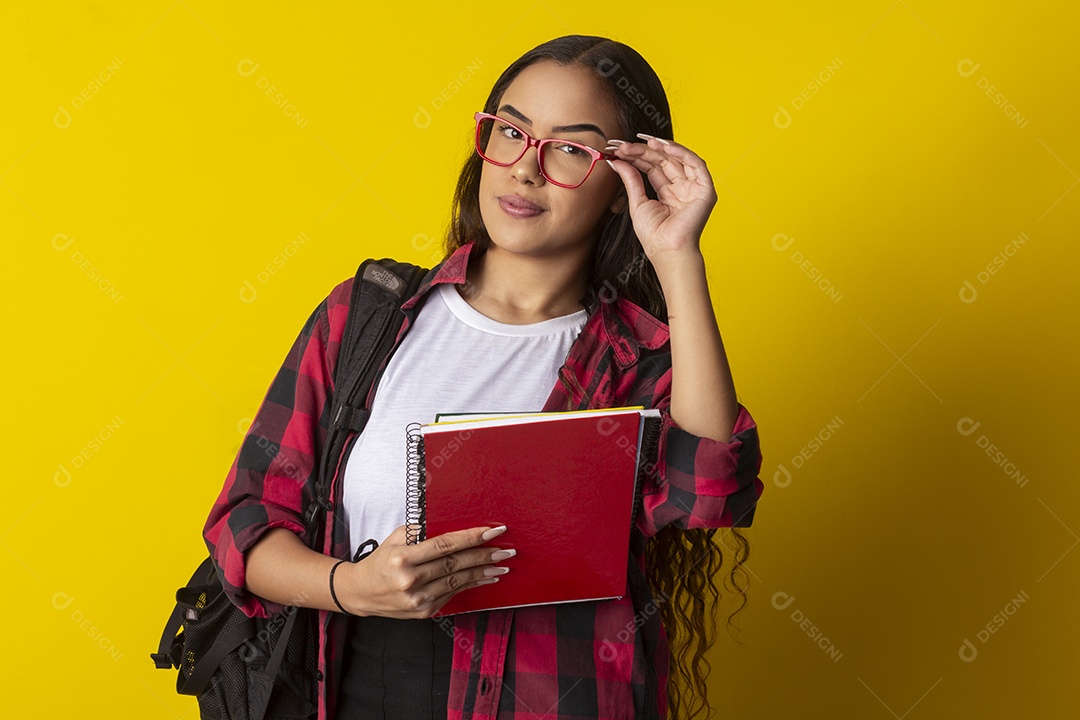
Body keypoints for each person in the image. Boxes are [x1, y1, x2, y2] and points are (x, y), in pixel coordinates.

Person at [203, 34, 764, 720]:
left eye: (570, 149)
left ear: (622, 187)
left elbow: (711, 491)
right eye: (510, 132)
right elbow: (246, 525)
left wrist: (679, 257)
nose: (525, 169)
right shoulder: (367, 316)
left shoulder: (635, 360)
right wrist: (353, 586)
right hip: (355, 685)